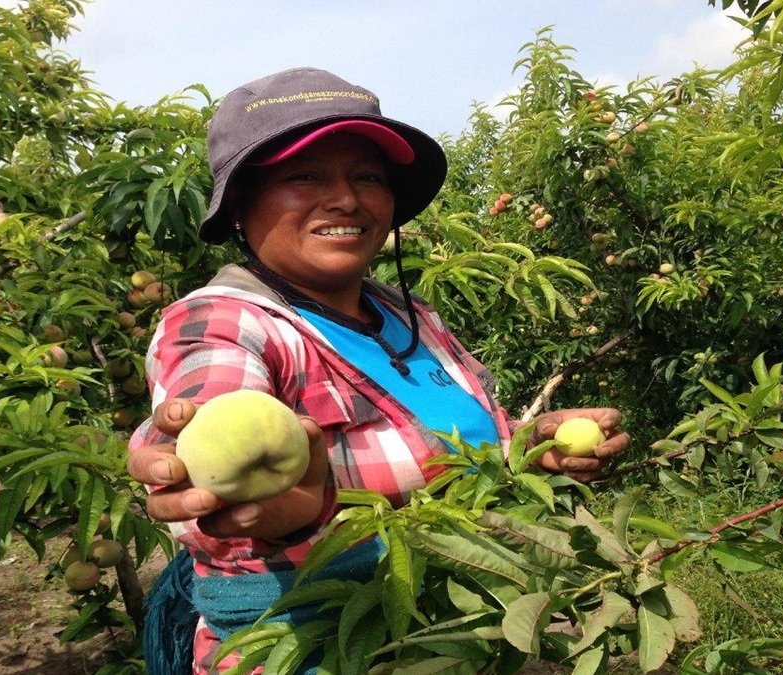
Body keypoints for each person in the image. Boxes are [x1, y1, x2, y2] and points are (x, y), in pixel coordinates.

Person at [126, 67, 629, 674]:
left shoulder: (411, 314)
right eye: (303, 175)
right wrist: (243, 492)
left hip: (471, 634)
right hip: (327, 649)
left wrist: (530, 446)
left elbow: (465, 444)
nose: (346, 199)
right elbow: (205, 414)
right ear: (239, 202)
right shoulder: (223, 322)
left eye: (368, 176)